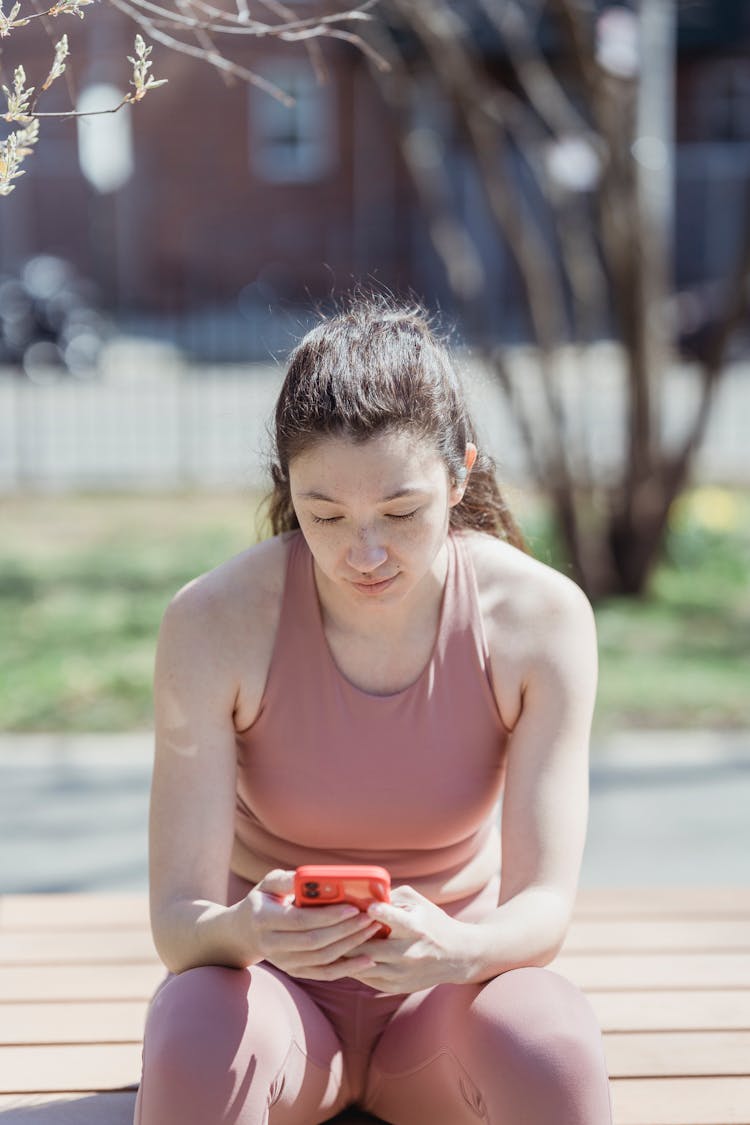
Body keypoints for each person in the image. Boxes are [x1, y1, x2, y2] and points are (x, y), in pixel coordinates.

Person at [134, 294, 612, 1125]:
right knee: (192, 1028)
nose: (364, 552)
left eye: (401, 512)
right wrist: (252, 929)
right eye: (325, 515)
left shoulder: (541, 619)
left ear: (460, 472)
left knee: (552, 1034)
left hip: (444, 1000)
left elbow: (544, 908)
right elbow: (181, 926)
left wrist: (458, 947)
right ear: (288, 488)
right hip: (275, 1008)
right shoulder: (213, 621)